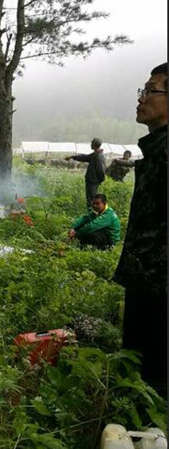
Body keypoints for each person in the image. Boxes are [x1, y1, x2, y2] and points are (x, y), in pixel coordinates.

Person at [113, 62, 167, 398]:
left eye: (151, 90)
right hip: (146, 281)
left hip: (159, 289)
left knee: (153, 381)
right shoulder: (157, 149)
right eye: (142, 90)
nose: (141, 98)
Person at [65, 138, 106, 209]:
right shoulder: (95, 155)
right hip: (91, 181)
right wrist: (73, 157)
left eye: (92, 143)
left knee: (92, 200)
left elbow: (101, 171)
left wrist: (99, 181)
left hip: (93, 182)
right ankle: (91, 212)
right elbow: (85, 157)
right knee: (90, 199)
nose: (91, 145)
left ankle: (92, 213)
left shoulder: (98, 156)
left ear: (94, 145)